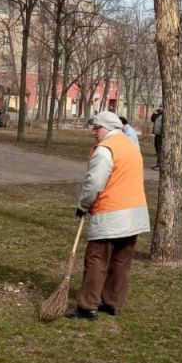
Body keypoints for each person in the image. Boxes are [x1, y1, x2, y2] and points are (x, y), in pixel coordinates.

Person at [66, 110, 150, 320]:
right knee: (121, 261)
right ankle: (112, 301)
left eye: (97, 128)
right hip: (135, 214)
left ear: (109, 128)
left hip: (111, 213)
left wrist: (83, 205)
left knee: (96, 259)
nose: (94, 132)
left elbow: (94, 183)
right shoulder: (131, 146)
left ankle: (87, 306)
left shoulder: (105, 150)